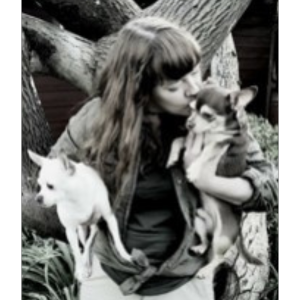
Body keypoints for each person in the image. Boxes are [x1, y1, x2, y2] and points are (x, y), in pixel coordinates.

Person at [49, 16, 278, 300]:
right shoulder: (97, 117)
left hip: (182, 283)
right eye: (174, 85)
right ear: (141, 88)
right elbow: (51, 173)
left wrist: (209, 181)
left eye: (195, 72)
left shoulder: (215, 111)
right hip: (109, 278)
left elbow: (269, 189)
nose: (193, 88)